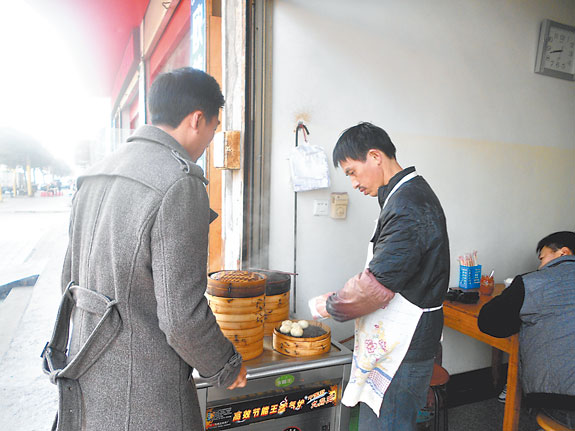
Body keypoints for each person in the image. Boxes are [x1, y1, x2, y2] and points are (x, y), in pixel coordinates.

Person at [42, 67, 247, 431]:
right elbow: (182, 318)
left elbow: (68, 283)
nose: (211, 140)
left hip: (87, 386)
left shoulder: (97, 173)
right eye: (215, 129)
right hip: (147, 402)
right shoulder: (178, 183)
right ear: (197, 119)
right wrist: (226, 365)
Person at [325, 122, 450, 430]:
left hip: (406, 343)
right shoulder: (403, 194)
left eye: (352, 171)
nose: (353, 183)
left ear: (375, 156)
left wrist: (329, 305)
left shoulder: (409, 204)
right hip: (400, 338)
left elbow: (376, 286)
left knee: (389, 422)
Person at [478, 231, 575, 428]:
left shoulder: (533, 282)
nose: (540, 265)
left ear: (563, 252)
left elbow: (488, 321)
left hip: (561, 397)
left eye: (543, 257)